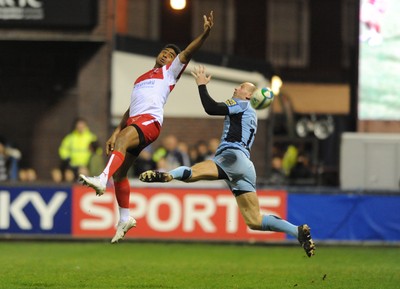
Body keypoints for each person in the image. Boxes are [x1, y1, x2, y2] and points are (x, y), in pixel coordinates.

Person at [140, 65, 315, 257]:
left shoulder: (241, 105)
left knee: (194, 173)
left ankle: (167, 175)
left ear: (248, 96)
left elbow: (211, 108)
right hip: (246, 166)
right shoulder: (252, 114)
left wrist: (201, 85)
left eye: (240, 87)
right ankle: (297, 231)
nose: (235, 89)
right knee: (255, 221)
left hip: (231, 156)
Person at [79, 12, 214, 244]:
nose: (167, 55)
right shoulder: (141, 78)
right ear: (158, 54)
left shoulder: (170, 73)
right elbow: (131, 109)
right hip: (134, 121)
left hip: (150, 122)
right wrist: (114, 131)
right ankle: (125, 218)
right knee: (121, 174)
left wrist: (205, 33)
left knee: (121, 144)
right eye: (165, 52)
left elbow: (189, 51)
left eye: (172, 55)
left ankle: (102, 179)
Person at [55, 118, 98, 182]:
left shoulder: (91, 138)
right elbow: (63, 149)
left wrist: (90, 161)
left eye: (82, 126)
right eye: (79, 126)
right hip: (72, 164)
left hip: (85, 165)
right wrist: (66, 158)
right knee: (68, 175)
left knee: (83, 173)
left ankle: (82, 190)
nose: (80, 128)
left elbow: (97, 151)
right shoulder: (70, 138)